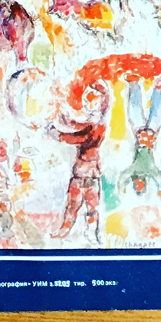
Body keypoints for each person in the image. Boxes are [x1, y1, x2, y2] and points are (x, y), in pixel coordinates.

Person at [49, 81, 110, 242]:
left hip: (89, 172)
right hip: (82, 172)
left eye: (92, 99)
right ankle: (66, 230)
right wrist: (65, 120)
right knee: (73, 203)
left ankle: (91, 233)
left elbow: (81, 137)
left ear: (101, 103)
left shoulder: (98, 125)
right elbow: (78, 126)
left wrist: (59, 135)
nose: (88, 102)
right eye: (87, 98)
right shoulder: (92, 122)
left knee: (91, 205)